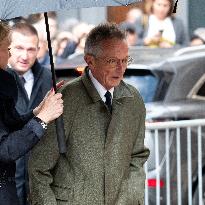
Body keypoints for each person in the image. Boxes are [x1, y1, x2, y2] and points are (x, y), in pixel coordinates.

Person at [29, 22, 150, 205]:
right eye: (112, 61)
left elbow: (137, 157)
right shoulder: (65, 100)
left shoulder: (133, 99)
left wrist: (131, 197)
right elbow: (38, 168)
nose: (121, 68)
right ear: (90, 60)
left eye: (125, 60)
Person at [0, 21, 63, 205]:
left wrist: (38, 112)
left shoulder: (40, 77)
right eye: (7, 48)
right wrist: (42, 119)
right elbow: (5, 149)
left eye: (31, 49)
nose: (11, 54)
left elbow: (10, 124)